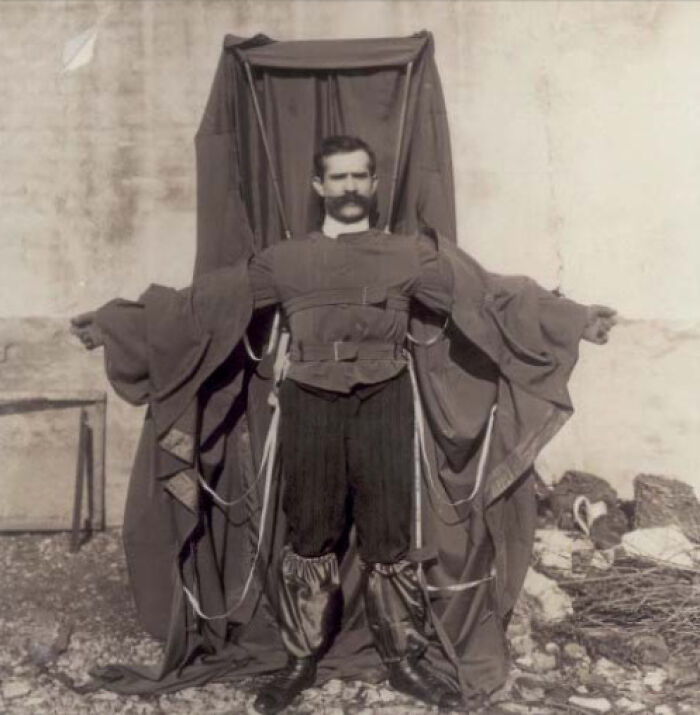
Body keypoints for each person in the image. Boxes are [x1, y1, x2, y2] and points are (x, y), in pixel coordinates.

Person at [72, 135, 615, 714]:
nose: (350, 187)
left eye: (359, 176)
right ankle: (300, 659)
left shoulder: (408, 256)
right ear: (319, 186)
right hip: (310, 401)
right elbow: (202, 306)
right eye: (339, 177)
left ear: (374, 184)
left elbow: (489, 295)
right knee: (310, 532)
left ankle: (403, 662)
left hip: (386, 399)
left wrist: (573, 319)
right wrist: (118, 325)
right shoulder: (286, 261)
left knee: (388, 534)